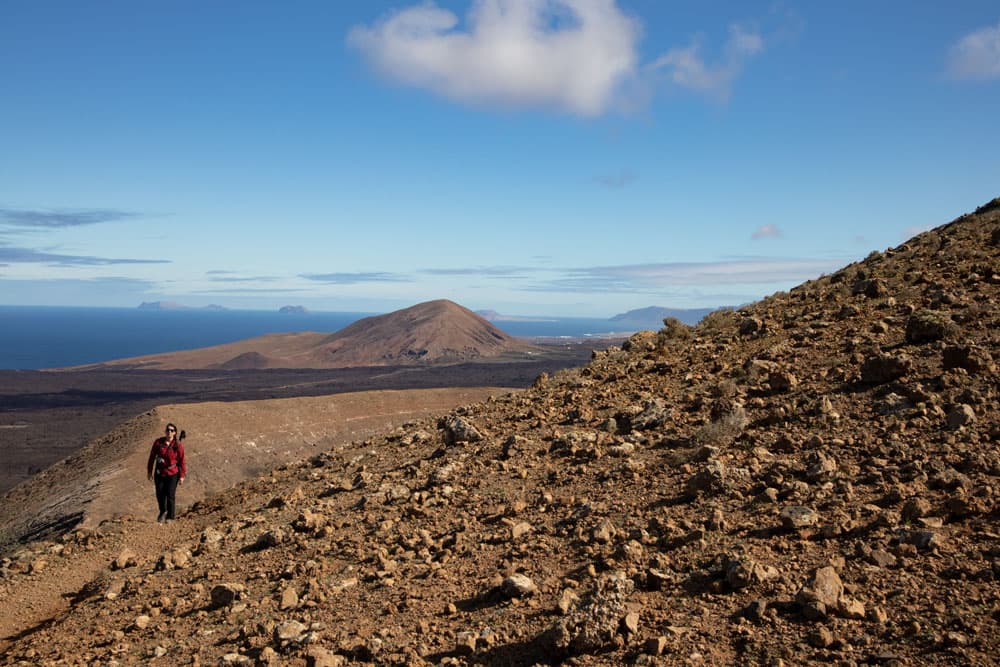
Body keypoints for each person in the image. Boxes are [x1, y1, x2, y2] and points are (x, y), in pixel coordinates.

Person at [147, 423, 186, 522]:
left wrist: (182, 476)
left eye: (172, 430)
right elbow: (152, 457)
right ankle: (162, 511)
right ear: (165, 431)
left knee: (170, 494)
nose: (169, 432)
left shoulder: (177, 445)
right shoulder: (158, 443)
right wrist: (149, 471)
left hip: (173, 473)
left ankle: (170, 517)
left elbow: (182, 460)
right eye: (168, 430)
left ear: (175, 433)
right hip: (160, 472)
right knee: (160, 494)